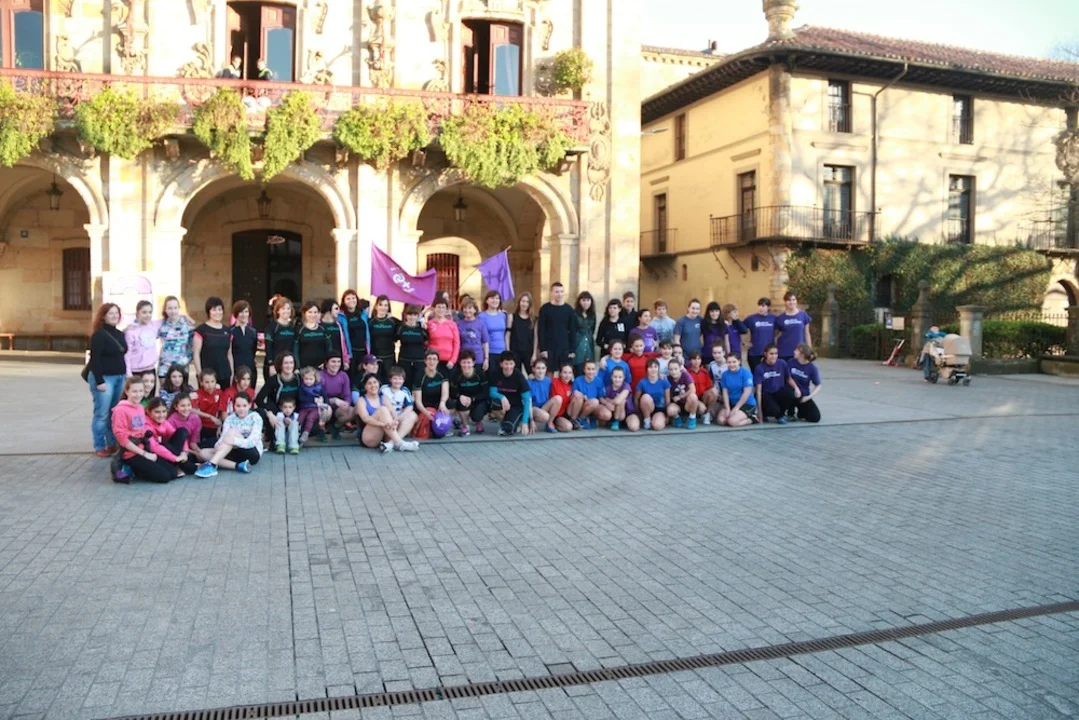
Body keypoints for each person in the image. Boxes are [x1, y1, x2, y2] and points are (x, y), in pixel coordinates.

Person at [110, 377, 177, 483]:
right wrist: (145, 454)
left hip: (143, 447)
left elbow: (142, 430)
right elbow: (122, 439)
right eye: (134, 391)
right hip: (130, 453)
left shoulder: (140, 407)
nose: (138, 394)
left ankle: (140, 469)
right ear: (127, 391)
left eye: (141, 391)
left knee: (173, 473)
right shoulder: (120, 410)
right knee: (165, 477)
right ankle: (131, 469)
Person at [195, 394, 263, 477]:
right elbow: (223, 437)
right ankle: (238, 466)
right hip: (232, 451)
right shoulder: (230, 419)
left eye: (244, 406)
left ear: (249, 405)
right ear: (234, 406)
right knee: (203, 453)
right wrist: (218, 446)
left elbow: (253, 441)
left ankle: (212, 465)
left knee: (231, 433)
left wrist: (234, 441)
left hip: (251, 452)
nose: (241, 409)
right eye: (238, 406)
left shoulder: (255, 417)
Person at [355, 373, 419, 453]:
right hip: (370, 437)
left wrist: (395, 421)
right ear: (365, 386)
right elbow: (366, 418)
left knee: (412, 415)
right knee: (383, 410)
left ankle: (391, 444)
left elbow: (393, 412)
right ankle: (400, 443)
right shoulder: (361, 400)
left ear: (379, 384)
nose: (373, 385)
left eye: (375, 382)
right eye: (369, 383)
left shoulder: (384, 398)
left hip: (386, 434)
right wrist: (382, 424)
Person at [145, 397, 197, 476]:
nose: (161, 415)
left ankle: (182, 464)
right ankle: (183, 465)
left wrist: (184, 452)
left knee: (182, 431)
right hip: (153, 453)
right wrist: (175, 458)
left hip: (169, 450)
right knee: (180, 471)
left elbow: (180, 436)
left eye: (164, 411)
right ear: (149, 412)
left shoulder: (164, 422)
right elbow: (154, 447)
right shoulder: (146, 424)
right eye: (157, 412)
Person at [256, 351, 300, 439]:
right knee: (259, 413)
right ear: (280, 365)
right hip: (276, 413)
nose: (289, 366)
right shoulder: (273, 380)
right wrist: (269, 413)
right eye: (286, 363)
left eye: (291, 363)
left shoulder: (299, 379)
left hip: (294, 412)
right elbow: (259, 399)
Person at [489, 351, 532, 436]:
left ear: (514, 364)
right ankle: (503, 424)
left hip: (516, 406)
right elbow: (492, 392)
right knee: (494, 403)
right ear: (501, 364)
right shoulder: (495, 373)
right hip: (503, 404)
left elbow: (527, 399)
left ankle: (516, 421)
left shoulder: (519, 376)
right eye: (506, 364)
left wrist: (525, 422)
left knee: (509, 429)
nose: (508, 367)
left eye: (511, 364)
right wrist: (502, 397)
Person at [193, 297, 233, 389]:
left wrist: (231, 373)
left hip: (224, 374)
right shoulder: (201, 330)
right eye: (214, 310)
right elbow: (196, 354)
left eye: (220, 309)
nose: (217, 312)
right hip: (207, 377)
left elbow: (229, 354)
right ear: (209, 312)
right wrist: (200, 374)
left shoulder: (227, 331)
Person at [449, 349, 489, 436]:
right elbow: (452, 392)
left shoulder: (480, 374)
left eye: (468, 362)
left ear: (473, 363)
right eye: (464, 362)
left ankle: (478, 422)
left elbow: (485, 393)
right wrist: (460, 396)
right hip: (463, 399)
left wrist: (472, 399)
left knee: (477, 416)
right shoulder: (456, 374)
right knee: (459, 403)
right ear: (460, 363)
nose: (466, 365)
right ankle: (465, 426)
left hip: (477, 399)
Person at [754, 343, 796, 424]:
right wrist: (759, 412)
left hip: (777, 392)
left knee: (790, 393)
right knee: (773, 410)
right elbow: (758, 391)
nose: (774, 356)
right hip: (765, 394)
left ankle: (780, 415)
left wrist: (796, 389)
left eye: (776, 353)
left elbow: (789, 378)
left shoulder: (782, 363)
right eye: (771, 354)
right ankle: (766, 413)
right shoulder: (759, 368)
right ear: (765, 354)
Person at [537, 283, 576, 370]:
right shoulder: (545, 309)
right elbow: (541, 330)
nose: (559, 294)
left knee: (564, 372)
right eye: (557, 292)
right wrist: (543, 349)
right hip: (549, 348)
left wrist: (572, 350)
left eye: (562, 292)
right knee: (549, 372)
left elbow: (572, 331)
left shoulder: (569, 309)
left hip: (564, 348)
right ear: (551, 293)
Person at [157, 295, 195, 383]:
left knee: (181, 391)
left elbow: (193, 346)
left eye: (175, 308)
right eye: (170, 308)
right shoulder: (161, 324)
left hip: (182, 366)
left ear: (179, 308)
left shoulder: (187, 324)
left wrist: (186, 361)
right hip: (165, 367)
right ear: (165, 309)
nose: (173, 311)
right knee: (165, 391)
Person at [716, 354, 758, 427]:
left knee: (732, 422)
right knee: (721, 420)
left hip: (746, 404)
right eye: (729, 362)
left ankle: (752, 419)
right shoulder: (725, 375)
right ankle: (736, 416)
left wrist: (736, 408)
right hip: (732, 403)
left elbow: (747, 393)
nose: (732, 364)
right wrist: (727, 408)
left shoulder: (746, 373)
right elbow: (725, 392)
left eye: (734, 362)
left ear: (739, 361)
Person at [413, 349, 450, 431]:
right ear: (425, 361)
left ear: (438, 361)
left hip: (437, 403)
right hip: (424, 405)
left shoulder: (442, 373)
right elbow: (418, 401)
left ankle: (447, 424)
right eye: (429, 359)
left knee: (450, 403)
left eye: (434, 359)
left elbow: (445, 392)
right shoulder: (419, 375)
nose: (432, 362)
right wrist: (425, 412)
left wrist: (442, 402)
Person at [379, 366, 419, 439]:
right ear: (390, 379)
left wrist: (399, 418)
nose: (398, 381)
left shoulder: (405, 391)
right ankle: (395, 440)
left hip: (399, 417)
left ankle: (397, 440)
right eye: (395, 378)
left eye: (400, 379)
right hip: (387, 417)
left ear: (403, 380)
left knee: (413, 415)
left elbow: (410, 406)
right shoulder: (384, 389)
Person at [124, 300, 161, 379]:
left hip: (150, 369)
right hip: (135, 371)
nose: (147, 315)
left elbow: (170, 317)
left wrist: (184, 317)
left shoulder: (154, 325)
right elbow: (127, 354)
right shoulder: (131, 331)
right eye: (144, 312)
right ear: (137, 314)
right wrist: (128, 374)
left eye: (150, 312)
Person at [340, 290, 370, 386]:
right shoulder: (341, 316)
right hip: (351, 353)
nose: (351, 300)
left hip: (363, 351)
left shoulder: (363, 314)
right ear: (344, 301)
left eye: (353, 298)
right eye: (348, 299)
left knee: (363, 377)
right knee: (352, 378)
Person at [320, 355, 354, 438]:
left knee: (352, 411)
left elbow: (347, 394)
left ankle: (335, 427)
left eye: (338, 362)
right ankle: (321, 431)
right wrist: (333, 400)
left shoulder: (343, 375)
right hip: (324, 405)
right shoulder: (320, 375)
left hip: (339, 406)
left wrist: (347, 403)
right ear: (326, 363)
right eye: (333, 361)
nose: (336, 364)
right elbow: (318, 397)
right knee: (325, 410)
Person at [427, 292, 460, 374]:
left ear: (446, 309)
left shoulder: (452, 324)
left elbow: (456, 343)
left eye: (443, 307)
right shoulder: (429, 324)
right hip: (433, 362)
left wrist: (453, 360)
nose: (441, 310)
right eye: (438, 307)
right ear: (434, 308)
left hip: (449, 362)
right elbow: (426, 342)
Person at [774, 292, 813, 362]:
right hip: (784, 352)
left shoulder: (803, 315)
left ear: (796, 301)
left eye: (793, 299)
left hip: (800, 352)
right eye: (789, 300)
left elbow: (807, 333)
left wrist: (810, 349)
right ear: (785, 302)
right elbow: (776, 336)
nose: (791, 302)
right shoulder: (780, 318)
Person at [368, 295, 399, 382]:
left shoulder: (393, 322)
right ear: (376, 306)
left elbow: (406, 325)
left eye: (386, 305)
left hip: (389, 357)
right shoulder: (370, 322)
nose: (383, 307)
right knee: (375, 381)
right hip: (375, 358)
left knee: (388, 381)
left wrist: (421, 321)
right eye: (380, 304)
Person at [264, 296, 296, 379]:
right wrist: (271, 365)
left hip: (288, 366)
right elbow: (268, 347)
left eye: (288, 309)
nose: (286, 311)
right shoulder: (272, 327)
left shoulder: (293, 327)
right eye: (283, 309)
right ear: (278, 310)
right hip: (274, 366)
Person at [788, 343, 822, 423]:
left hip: (803, 395)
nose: (794, 352)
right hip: (792, 391)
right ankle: (790, 413)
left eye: (796, 350)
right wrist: (796, 388)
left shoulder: (812, 368)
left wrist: (808, 397)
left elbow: (818, 385)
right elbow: (788, 377)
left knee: (815, 418)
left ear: (802, 354)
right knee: (789, 394)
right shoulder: (791, 362)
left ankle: (801, 412)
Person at [527, 358, 562, 433]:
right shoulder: (529, 383)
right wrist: (531, 419)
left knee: (558, 398)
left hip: (544, 406)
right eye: (538, 368)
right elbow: (528, 402)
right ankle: (529, 422)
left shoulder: (549, 381)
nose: (541, 371)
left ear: (546, 369)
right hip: (533, 408)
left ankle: (549, 423)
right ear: (533, 369)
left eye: (543, 368)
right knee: (545, 416)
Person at [297, 366, 330, 444]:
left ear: (315, 379)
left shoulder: (319, 387)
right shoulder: (301, 388)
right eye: (306, 379)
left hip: (315, 408)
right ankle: (296, 432)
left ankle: (306, 433)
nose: (308, 381)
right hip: (304, 407)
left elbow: (325, 397)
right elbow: (301, 398)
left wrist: (324, 404)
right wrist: (313, 399)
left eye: (311, 379)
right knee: (300, 418)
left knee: (310, 418)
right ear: (303, 378)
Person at [635, 358, 671, 431]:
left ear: (658, 368)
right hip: (647, 408)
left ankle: (657, 420)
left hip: (660, 409)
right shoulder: (642, 382)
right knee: (645, 397)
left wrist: (668, 415)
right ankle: (647, 420)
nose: (653, 369)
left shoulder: (664, 381)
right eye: (650, 367)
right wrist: (638, 413)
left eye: (655, 367)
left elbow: (667, 400)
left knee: (657, 426)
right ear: (647, 369)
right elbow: (636, 399)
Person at [600, 366, 639, 432]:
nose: (617, 379)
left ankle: (623, 422)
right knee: (603, 420)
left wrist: (609, 400)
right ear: (611, 377)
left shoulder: (626, 386)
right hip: (615, 412)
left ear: (624, 377)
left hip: (628, 412)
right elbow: (602, 398)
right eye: (615, 377)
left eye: (620, 377)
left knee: (633, 427)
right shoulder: (609, 388)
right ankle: (616, 421)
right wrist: (607, 403)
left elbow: (618, 401)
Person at [568, 359, 604, 429]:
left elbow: (601, 397)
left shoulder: (599, 381)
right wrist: (582, 396)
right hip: (578, 406)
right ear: (584, 370)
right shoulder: (578, 380)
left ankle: (583, 419)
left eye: (593, 369)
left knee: (606, 414)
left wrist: (608, 404)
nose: (591, 371)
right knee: (580, 396)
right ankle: (574, 420)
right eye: (588, 369)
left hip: (592, 406)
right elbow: (574, 394)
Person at [229, 301, 259, 385]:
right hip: (236, 368)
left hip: (250, 368)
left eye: (246, 312)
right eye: (241, 312)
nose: (244, 314)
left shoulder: (253, 332)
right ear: (236, 313)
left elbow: (253, 350)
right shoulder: (230, 331)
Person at [456, 298, 490, 371]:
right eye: (465, 308)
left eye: (470, 308)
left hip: (478, 358)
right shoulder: (458, 324)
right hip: (464, 359)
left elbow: (485, 342)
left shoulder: (480, 323)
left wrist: (486, 359)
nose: (467, 310)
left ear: (475, 310)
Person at [295, 301, 331, 370]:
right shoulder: (299, 329)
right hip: (304, 368)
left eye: (315, 312)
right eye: (310, 312)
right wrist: (297, 366)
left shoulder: (323, 328)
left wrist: (326, 362)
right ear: (305, 313)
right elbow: (295, 350)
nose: (313, 315)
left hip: (321, 367)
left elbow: (329, 347)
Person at [745, 297, 777, 372]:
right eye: (759, 305)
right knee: (756, 374)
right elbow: (740, 328)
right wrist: (744, 342)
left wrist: (776, 339)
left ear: (768, 307)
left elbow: (781, 329)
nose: (760, 308)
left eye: (763, 306)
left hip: (769, 353)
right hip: (755, 352)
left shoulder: (774, 318)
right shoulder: (751, 318)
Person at [666, 357, 699, 429]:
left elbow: (693, 389)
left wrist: (680, 397)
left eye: (675, 369)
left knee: (693, 397)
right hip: (676, 404)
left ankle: (692, 417)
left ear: (680, 369)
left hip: (687, 402)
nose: (673, 372)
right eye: (671, 369)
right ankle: (677, 417)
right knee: (670, 410)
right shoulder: (668, 378)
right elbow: (667, 396)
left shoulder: (685, 375)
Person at [193, 369, 223, 446]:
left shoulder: (219, 392)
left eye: (212, 381)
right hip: (202, 425)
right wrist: (210, 416)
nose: (210, 385)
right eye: (207, 382)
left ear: (216, 382)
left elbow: (222, 410)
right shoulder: (197, 394)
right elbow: (192, 410)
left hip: (215, 425)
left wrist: (219, 426)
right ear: (201, 383)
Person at [506, 292, 536, 370]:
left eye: (527, 302)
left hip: (528, 351)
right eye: (523, 301)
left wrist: (534, 354)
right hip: (515, 351)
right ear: (519, 302)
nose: (524, 304)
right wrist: (508, 351)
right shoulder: (511, 317)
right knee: (516, 373)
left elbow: (535, 337)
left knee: (531, 373)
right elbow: (508, 335)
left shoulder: (533, 319)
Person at [686, 350, 714, 425]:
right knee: (701, 408)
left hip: (703, 397)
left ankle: (707, 414)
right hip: (692, 398)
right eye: (694, 359)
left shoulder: (705, 372)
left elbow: (709, 387)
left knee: (714, 392)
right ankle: (694, 415)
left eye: (698, 359)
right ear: (690, 360)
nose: (696, 361)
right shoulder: (687, 373)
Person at [321, 299, 351, 369]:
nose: (338, 311)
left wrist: (346, 360)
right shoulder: (319, 325)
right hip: (325, 361)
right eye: (336, 309)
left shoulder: (338, 324)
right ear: (328, 310)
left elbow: (343, 343)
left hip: (338, 360)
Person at [572, 292, 597, 375]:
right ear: (579, 301)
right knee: (578, 370)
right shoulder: (574, 313)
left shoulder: (592, 314)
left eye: (588, 300)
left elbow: (592, 329)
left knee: (589, 370)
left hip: (589, 344)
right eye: (583, 300)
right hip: (577, 345)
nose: (586, 302)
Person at [480, 291, 508, 359]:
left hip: (502, 351)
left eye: (497, 298)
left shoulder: (503, 315)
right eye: (492, 298)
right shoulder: (481, 316)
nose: (495, 300)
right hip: (489, 351)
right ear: (487, 301)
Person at [548, 363, 576, 432]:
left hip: (562, 414)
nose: (567, 375)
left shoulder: (572, 385)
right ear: (560, 373)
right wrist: (532, 376)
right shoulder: (553, 381)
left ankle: (573, 421)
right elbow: (542, 380)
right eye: (565, 372)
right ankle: (549, 423)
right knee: (558, 398)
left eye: (570, 373)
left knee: (568, 427)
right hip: (551, 412)